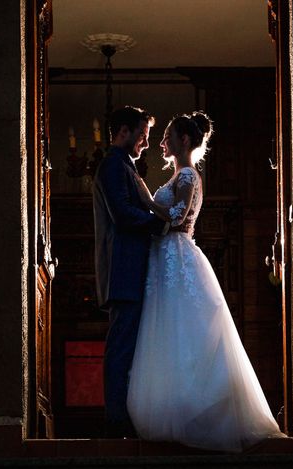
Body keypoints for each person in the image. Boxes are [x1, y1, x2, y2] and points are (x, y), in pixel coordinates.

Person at [127, 111, 285, 452]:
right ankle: (175, 410)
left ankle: (198, 413)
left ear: (185, 140)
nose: (162, 142)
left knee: (185, 328)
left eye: (168, 135)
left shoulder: (187, 177)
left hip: (177, 255)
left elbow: (176, 216)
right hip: (164, 257)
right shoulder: (177, 177)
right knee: (168, 331)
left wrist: (144, 199)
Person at [92, 105, 169, 438]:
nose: (146, 143)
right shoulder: (112, 165)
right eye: (142, 135)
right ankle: (115, 420)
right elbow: (122, 214)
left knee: (128, 344)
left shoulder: (124, 165)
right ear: (123, 131)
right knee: (121, 345)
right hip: (123, 269)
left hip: (132, 267)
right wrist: (159, 223)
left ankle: (124, 416)